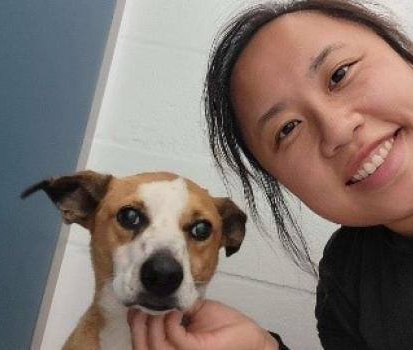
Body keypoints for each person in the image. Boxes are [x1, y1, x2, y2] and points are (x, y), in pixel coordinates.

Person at [128, 0, 413, 348]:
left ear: (404, 54)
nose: (336, 130)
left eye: (340, 74)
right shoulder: (347, 278)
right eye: (288, 129)